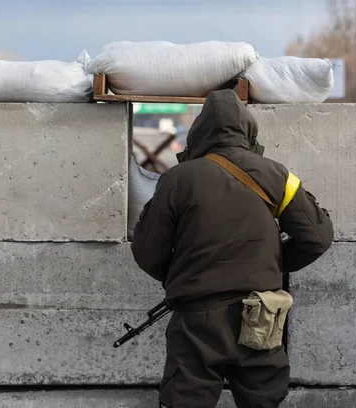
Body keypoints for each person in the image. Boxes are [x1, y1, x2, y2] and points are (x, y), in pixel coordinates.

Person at [131, 89, 334, 408]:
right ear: (248, 131)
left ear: (197, 134)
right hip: (261, 316)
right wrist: (274, 263)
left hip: (197, 320)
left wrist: (187, 277)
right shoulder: (277, 176)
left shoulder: (176, 180)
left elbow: (146, 253)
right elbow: (317, 238)